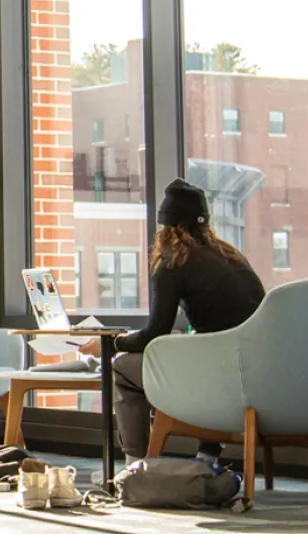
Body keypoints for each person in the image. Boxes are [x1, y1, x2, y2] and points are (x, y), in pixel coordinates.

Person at [78, 179, 266, 464]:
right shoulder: (231, 255)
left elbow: (155, 334)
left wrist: (110, 343)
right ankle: (207, 458)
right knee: (192, 357)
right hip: (255, 370)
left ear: (166, 226)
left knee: (123, 369)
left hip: (217, 374)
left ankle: (135, 463)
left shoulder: (174, 262)